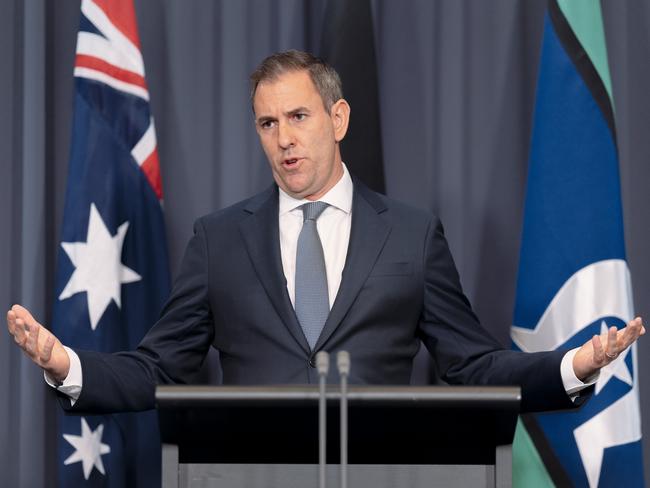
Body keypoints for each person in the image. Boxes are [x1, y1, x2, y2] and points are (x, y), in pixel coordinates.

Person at [6, 50, 645, 414]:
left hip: (385, 475)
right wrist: (66, 365)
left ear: (337, 118)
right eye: (266, 123)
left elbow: (473, 367)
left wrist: (572, 366)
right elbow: (157, 368)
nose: (283, 138)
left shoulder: (413, 236)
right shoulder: (219, 239)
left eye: (298, 116)